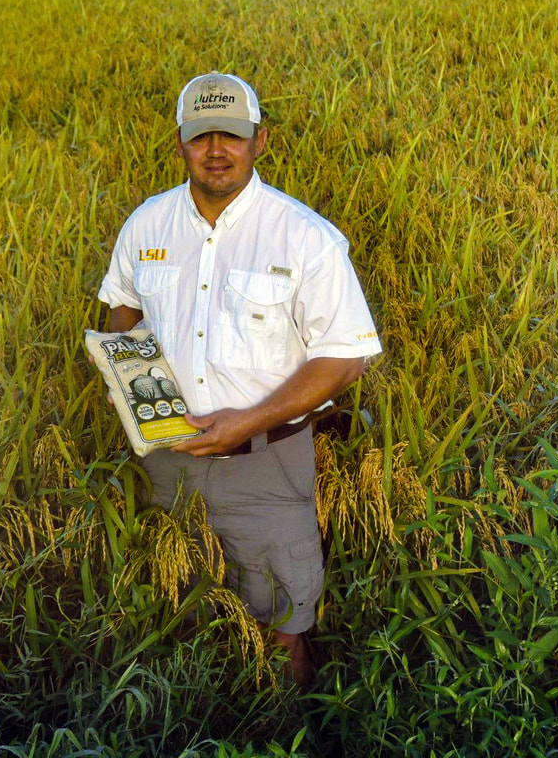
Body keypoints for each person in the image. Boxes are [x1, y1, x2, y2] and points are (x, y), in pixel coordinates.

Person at [97, 72, 382, 685]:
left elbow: (345, 356)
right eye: (203, 136)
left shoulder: (304, 236)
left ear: (260, 141)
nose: (217, 149)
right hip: (166, 462)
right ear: (180, 142)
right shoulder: (147, 225)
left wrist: (248, 422)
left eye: (232, 135)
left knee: (284, 623)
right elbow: (123, 313)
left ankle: (287, 734)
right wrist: (140, 396)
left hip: (266, 467)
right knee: (181, 609)